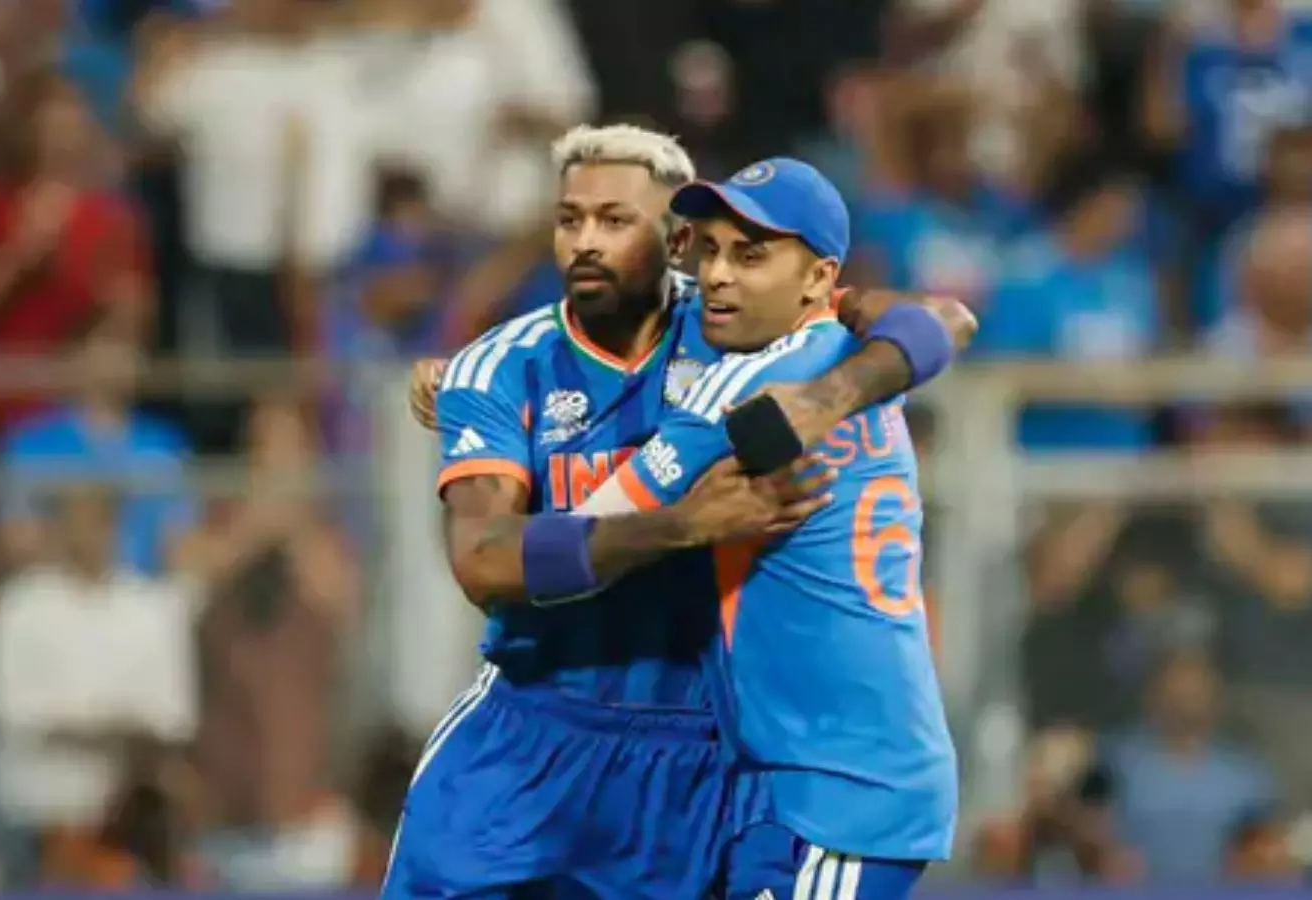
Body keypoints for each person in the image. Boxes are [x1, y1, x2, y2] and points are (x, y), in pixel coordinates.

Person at [385, 127, 974, 899]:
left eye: (615, 220)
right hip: (531, 725)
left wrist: (824, 400)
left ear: (676, 240)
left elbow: (934, 317)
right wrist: (683, 525)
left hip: (695, 752)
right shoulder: (502, 366)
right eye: (569, 219)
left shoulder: (742, 327)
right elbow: (482, 561)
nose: (586, 242)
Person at [574, 158, 957, 898]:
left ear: (817, 278)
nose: (718, 275)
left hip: (839, 788)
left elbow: (582, 537)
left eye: (750, 256)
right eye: (710, 250)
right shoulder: (862, 348)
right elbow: (945, 320)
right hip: (809, 772)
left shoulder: (742, 389)